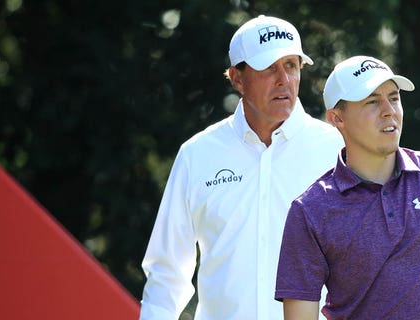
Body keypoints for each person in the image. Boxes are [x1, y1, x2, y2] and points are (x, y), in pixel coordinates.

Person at [139, 15, 344, 320]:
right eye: (268, 68)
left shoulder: (337, 149)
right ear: (237, 79)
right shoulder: (197, 155)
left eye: (291, 65)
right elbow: (166, 275)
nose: (283, 80)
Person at [275, 55, 420, 319]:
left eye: (394, 98)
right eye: (373, 101)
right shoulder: (311, 210)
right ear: (337, 118)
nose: (389, 110)